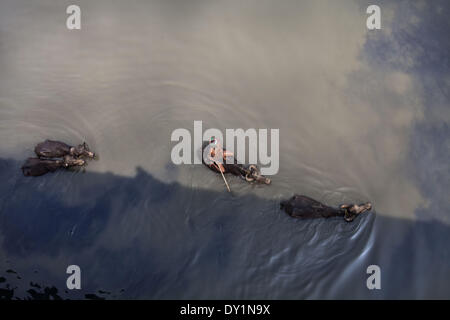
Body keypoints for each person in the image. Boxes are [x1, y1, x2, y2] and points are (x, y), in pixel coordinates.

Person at [202, 138, 271, 184]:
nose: (219, 148)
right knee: (239, 173)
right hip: (228, 168)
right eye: (217, 148)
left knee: (241, 167)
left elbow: (231, 153)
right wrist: (217, 162)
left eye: (218, 147)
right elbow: (222, 171)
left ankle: (257, 176)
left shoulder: (219, 151)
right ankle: (253, 177)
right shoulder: (209, 161)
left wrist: (221, 153)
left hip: (232, 162)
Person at [280, 195, 372, 222]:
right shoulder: (351, 214)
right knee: (315, 210)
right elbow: (347, 217)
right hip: (327, 212)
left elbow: (343, 206)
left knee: (315, 207)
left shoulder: (352, 206)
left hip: (327, 209)